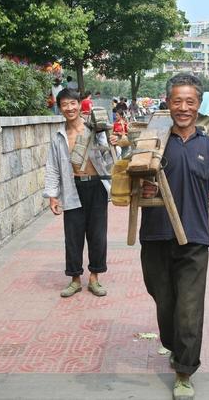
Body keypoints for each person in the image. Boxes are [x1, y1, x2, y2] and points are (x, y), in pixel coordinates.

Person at [139, 73, 209, 400]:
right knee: (164, 302)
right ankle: (173, 344)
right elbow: (125, 186)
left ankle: (184, 371)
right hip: (154, 237)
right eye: (177, 101)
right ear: (168, 102)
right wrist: (141, 186)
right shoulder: (151, 142)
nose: (183, 107)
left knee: (189, 310)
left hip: (194, 240)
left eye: (189, 101)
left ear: (198, 104)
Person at [44, 88, 117, 298]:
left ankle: (94, 278)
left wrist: (112, 143)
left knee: (97, 234)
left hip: (96, 186)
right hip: (72, 187)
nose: (69, 108)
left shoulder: (94, 128)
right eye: (64, 104)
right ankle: (75, 279)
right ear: (60, 108)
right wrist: (52, 195)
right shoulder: (59, 136)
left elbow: (109, 157)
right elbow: (53, 166)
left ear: (79, 105)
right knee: (73, 236)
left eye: (72, 103)